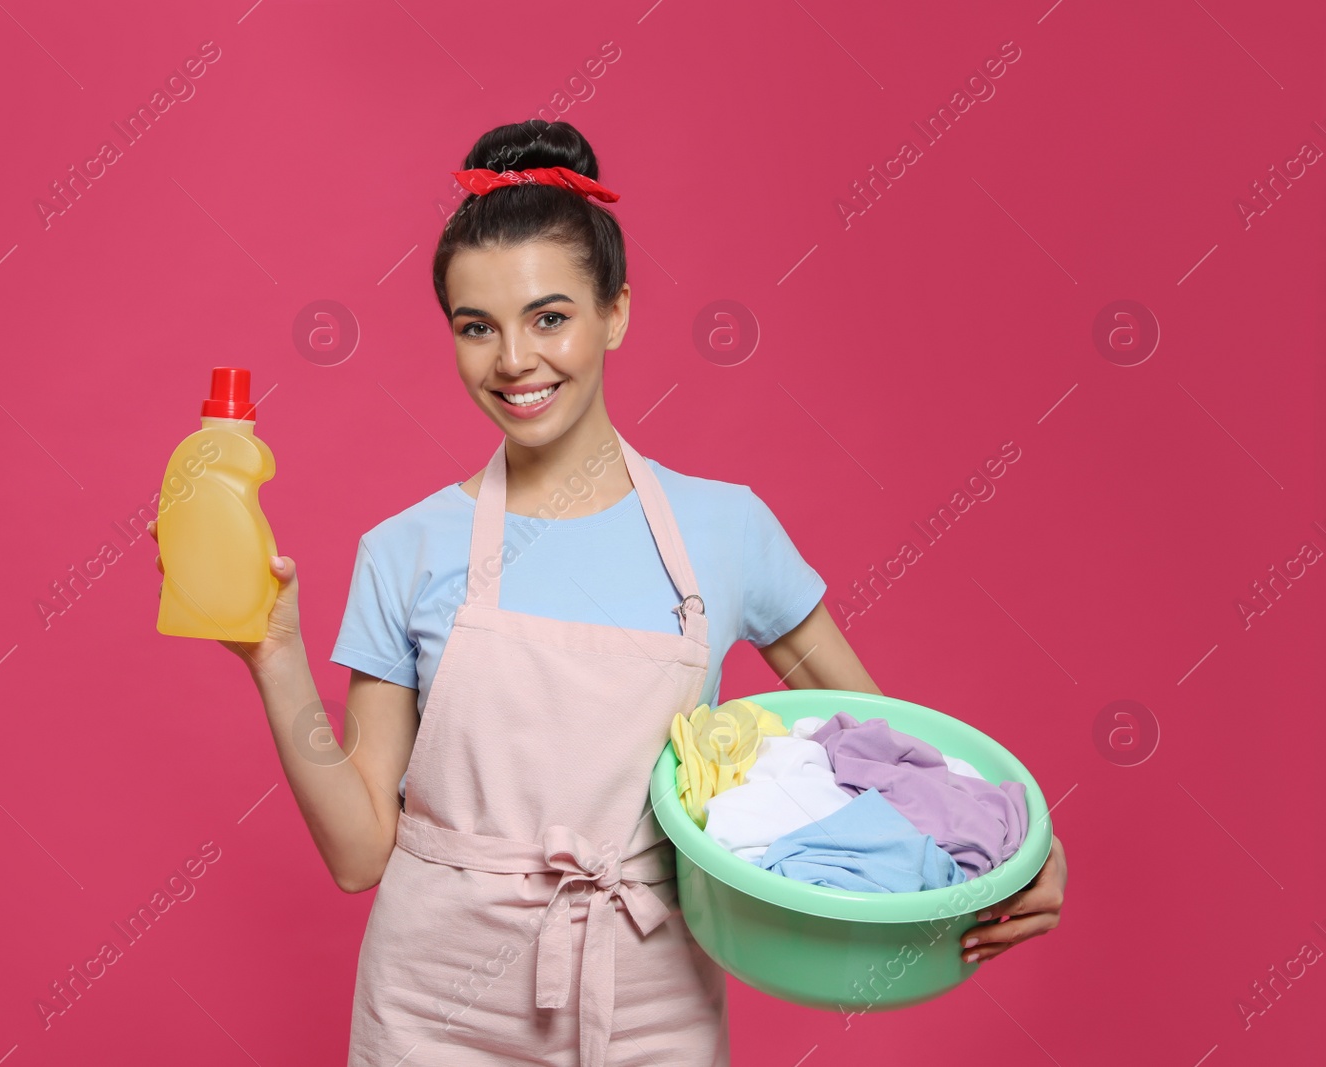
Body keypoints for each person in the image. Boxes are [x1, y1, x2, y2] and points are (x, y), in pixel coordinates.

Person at [150, 119, 1068, 1065]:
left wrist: (1018, 845)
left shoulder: (727, 532)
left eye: (550, 317)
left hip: (649, 1002)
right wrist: (275, 655)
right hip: (433, 1011)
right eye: (478, 327)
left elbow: (886, 758)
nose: (514, 360)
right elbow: (357, 853)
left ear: (616, 313)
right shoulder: (406, 550)